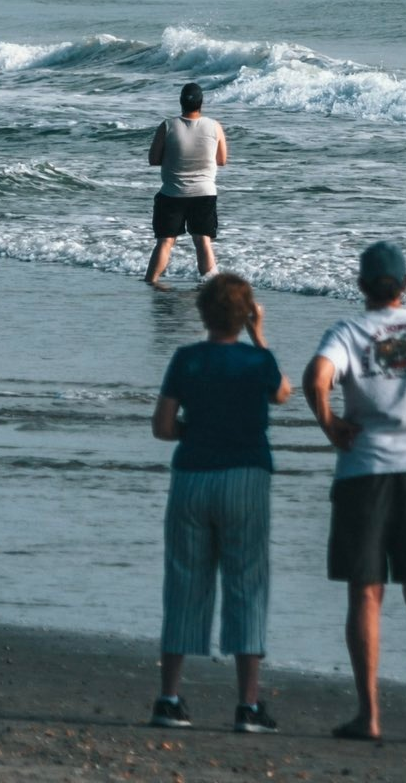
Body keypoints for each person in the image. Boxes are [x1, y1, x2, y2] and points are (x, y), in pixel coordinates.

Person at [303, 242, 406, 745]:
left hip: (364, 472)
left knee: (366, 593)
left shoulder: (348, 332)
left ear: (361, 285)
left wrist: (331, 425)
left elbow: (316, 379)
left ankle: (369, 714)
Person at [150, 273, 292, 732]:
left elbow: (163, 427)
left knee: (185, 583)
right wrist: (259, 334)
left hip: (193, 476)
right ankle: (248, 705)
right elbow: (283, 392)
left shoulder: (187, 359)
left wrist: (196, 428)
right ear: (246, 313)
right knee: (246, 585)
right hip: (245, 477)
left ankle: (169, 696)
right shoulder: (258, 362)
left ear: (202, 313)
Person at [145, 82, 227, 286]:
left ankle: (151, 282)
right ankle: (209, 284)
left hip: (172, 193)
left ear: (180, 102)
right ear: (202, 103)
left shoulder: (167, 126)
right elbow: (222, 160)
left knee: (165, 241)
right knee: (203, 241)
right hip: (204, 193)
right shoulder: (214, 126)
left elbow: (153, 159)